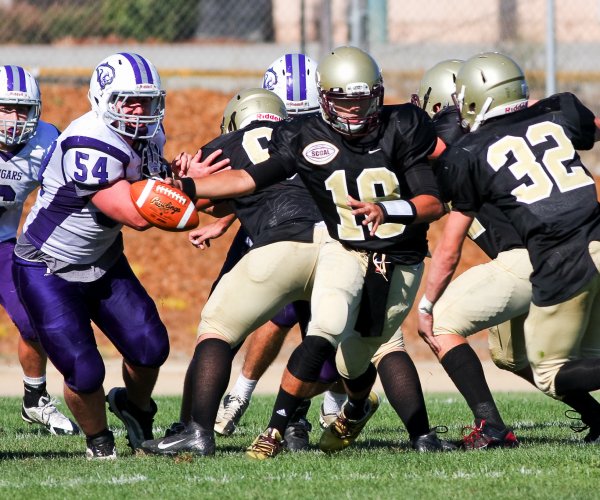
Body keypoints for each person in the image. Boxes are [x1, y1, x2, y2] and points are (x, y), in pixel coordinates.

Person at [159, 46, 451, 459]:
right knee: (341, 339)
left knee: (359, 349)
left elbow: (433, 198)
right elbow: (250, 181)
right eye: (343, 102)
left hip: (376, 254)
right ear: (323, 99)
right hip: (345, 252)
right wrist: (193, 192)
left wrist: (390, 208)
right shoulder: (310, 134)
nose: (352, 113)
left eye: (361, 100)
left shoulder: (392, 125)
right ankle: (300, 422)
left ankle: (227, 425)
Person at [141, 87, 335, 457]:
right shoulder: (308, 137)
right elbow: (256, 193)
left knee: (218, 329)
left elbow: (188, 197)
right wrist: (221, 221)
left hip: (279, 244)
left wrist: (181, 178)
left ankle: (197, 431)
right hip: (332, 247)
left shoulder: (225, 145)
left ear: (235, 119)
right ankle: (300, 424)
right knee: (327, 344)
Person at [417, 52, 600, 444]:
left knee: (441, 325)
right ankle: (596, 419)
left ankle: (492, 428)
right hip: (567, 246)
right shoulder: (536, 120)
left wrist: (426, 302)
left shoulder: (454, 149)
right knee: (512, 357)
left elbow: (444, 228)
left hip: (528, 258)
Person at [12, 52, 171, 459]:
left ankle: (135, 409)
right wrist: (186, 192)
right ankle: (98, 439)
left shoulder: (150, 135)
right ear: (102, 99)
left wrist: (178, 176)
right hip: (48, 266)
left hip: (102, 259)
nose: (139, 111)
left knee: (150, 347)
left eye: (147, 101)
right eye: (128, 101)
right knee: (84, 371)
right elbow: (136, 215)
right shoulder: (89, 140)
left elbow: (154, 179)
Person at [212, 53, 322, 444]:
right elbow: (254, 175)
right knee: (230, 321)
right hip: (268, 224)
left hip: (315, 228)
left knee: (309, 320)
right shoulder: (272, 132)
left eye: (308, 116)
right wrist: (224, 219)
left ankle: (298, 415)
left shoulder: (329, 133)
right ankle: (230, 398)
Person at [0, 65, 78, 436]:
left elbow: (61, 191)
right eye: (6, 108)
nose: (15, 119)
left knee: (32, 320)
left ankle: (34, 399)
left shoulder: (46, 141)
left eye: (23, 110)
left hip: (3, 242)